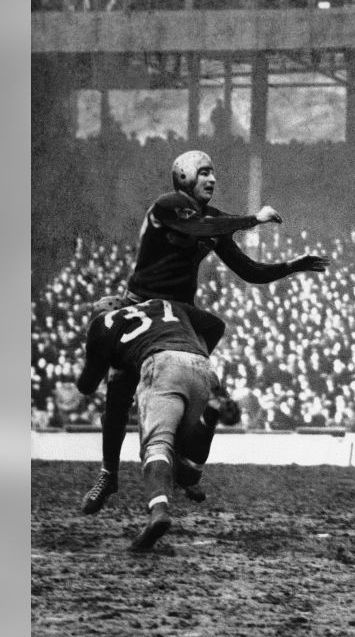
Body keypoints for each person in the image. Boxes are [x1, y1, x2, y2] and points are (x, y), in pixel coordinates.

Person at [81, 150, 332, 515]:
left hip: (181, 314)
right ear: (183, 178)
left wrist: (292, 266)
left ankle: (184, 452)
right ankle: (109, 474)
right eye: (203, 173)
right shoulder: (168, 206)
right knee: (118, 391)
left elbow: (249, 270)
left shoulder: (213, 220)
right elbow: (196, 229)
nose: (212, 179)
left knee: (211, 335)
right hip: (143, 304)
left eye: (213, 173)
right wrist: (252, 219)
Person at [76, 296, 226, 552]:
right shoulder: (163, 304)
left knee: (157, 446)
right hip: (200, 363)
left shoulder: (103, 323)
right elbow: (215, 324)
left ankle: (158, 511)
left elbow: (86, 386)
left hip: (161, 364)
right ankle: (208, 418)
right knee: (189, 465)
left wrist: (107, 356)